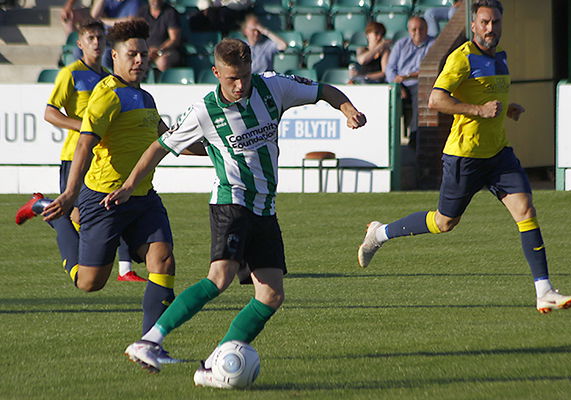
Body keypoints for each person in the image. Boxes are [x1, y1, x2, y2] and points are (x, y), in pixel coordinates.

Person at [107, 38, 366, 384]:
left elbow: (323, 89)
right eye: (231, 79)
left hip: (265, 206)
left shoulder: (273, 88)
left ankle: (218, 362)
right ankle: (149, 341)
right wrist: (127, 186)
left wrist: (346, 108)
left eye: (244, 75)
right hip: (232, 200)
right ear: (216, 73)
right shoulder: (204, 110)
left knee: (271, 295)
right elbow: (160, 146)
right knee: (221, 277)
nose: (240, 84)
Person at [359, 0, 571, 314]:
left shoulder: (500, 57)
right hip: (465, 156)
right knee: (444, 222)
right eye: (485, 23)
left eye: (496, 23)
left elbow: (487, 95)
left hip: (499, 153)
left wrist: (507, 108)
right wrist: (478, 110)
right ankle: (379, 233)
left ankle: (544, 290)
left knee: (526, 210)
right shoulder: (461, 57)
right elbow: (435, 98)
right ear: (473, 25)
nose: (491, 29)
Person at [39, 20, 180, 344]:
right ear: (114, 56)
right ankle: (55, 216)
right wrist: (70, 194)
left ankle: (149, 345)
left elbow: (167, 137)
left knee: (163, 260)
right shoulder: (107, 96)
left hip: (142, 196)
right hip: (104, 199)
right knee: (90, 283)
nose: (140, 61)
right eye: (132, 54)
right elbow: (85, 145)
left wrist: (217, 149)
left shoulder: (145, 97)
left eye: (144, 54)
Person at [15, 19, 144, 282]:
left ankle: (123, 269)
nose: (96, 43)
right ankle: (41, 205)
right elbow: (50, 113)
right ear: (80, 43)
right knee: (75, 214)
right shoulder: (71, 73)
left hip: (101, 158)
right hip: (76, 154)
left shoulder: (110, 77)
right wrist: (86, 128)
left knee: (100, 212)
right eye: (91, 38)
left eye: (100, 38)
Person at [385, 16, 435, 145]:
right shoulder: (401, 44)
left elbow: (431, 70)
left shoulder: (433, 44)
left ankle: (414, 134)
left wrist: (409, 76)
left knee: (421, 95)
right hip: (399, 83)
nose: (418, 32)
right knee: (389, 97)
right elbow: (390, 69)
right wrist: (398, 85)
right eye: (414, 29)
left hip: (418, 82)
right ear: (409, 30)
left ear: (427, 29)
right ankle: (389, 138)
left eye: (421, 29)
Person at [137, 0, 182, 72]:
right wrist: (146, 50)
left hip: (167, 50)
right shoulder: (142, 12)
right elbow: (138, 35)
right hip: (147, 50)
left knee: (163, 62)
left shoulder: (170, 12)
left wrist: (159, 50)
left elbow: (174, 39)